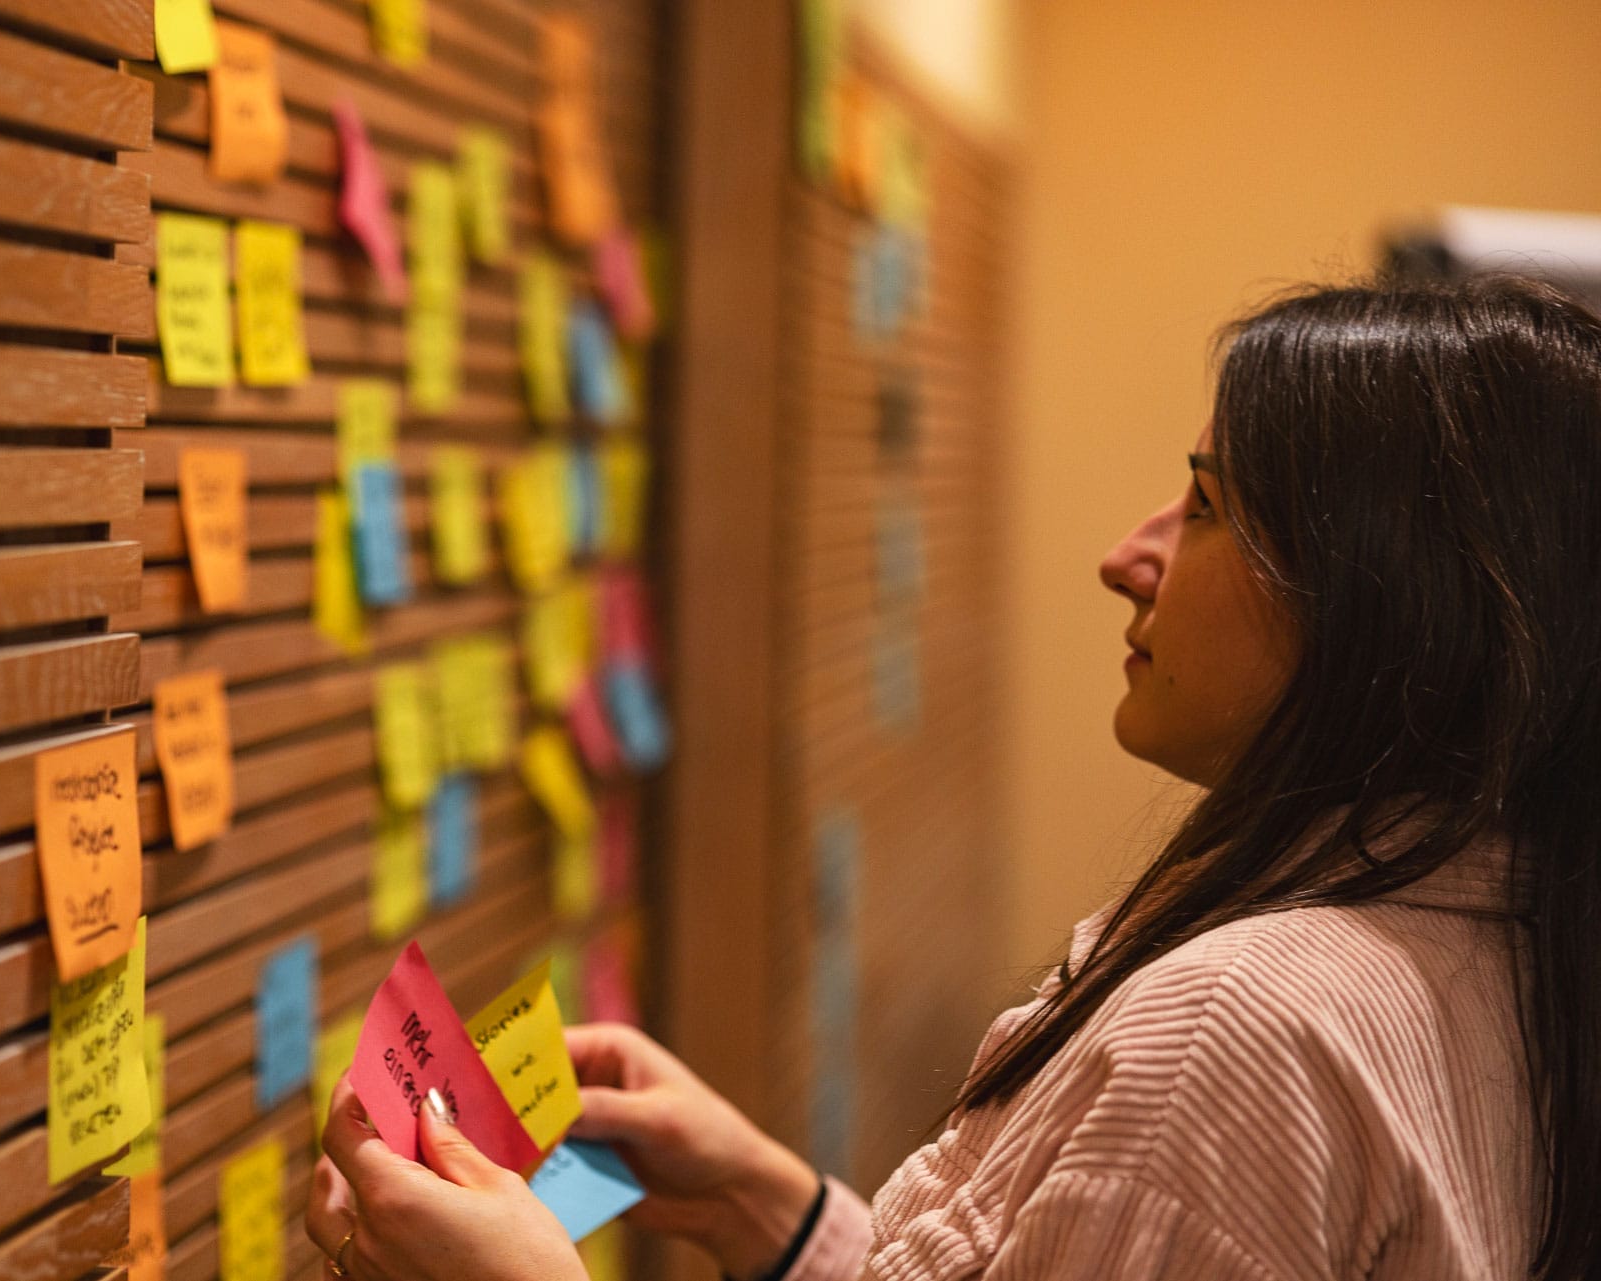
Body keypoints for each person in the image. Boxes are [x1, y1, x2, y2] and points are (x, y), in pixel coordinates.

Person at [306, 274, 1601, 1280]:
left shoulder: (1245, 1030)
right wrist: (779, 1210)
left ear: (1383, 599)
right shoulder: (1508, 941)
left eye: (1205, 505)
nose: (1128, 553)